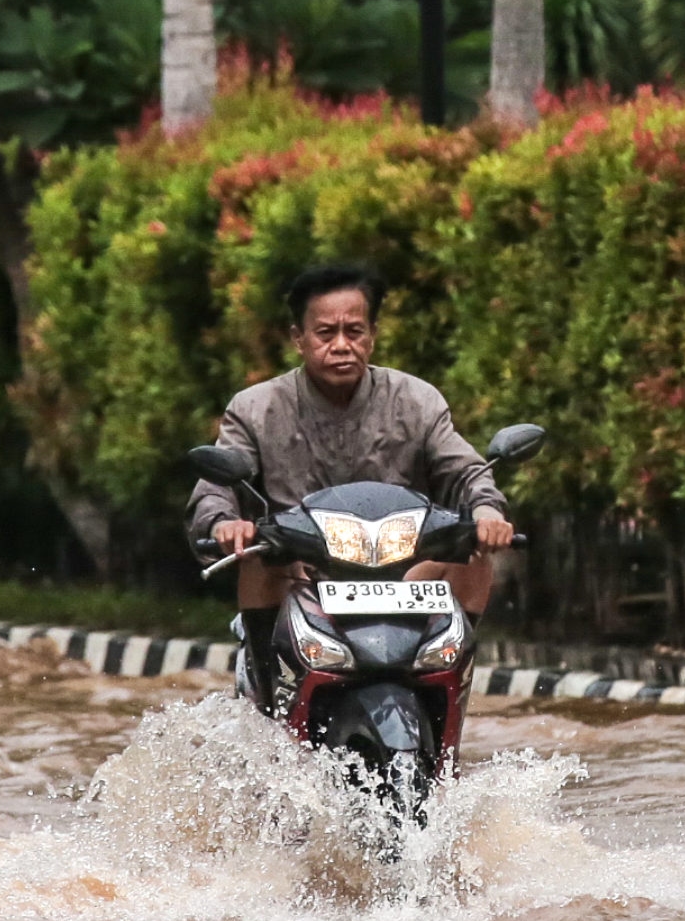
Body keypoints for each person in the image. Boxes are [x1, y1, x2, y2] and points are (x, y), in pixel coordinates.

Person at [187, 263, 515, 707]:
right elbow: (216, 485)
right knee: (256, 559)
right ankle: (268, 700)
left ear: (373, 334)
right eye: (325, 333)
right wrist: (226, 522)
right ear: (298, 338)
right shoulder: (255, 408)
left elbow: (465, 468)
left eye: (354, 331)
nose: (341, 345)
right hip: (300, 575)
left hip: (403, 575)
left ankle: (447, 697)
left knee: (472, 555)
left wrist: (487, 513)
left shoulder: (417, 400)